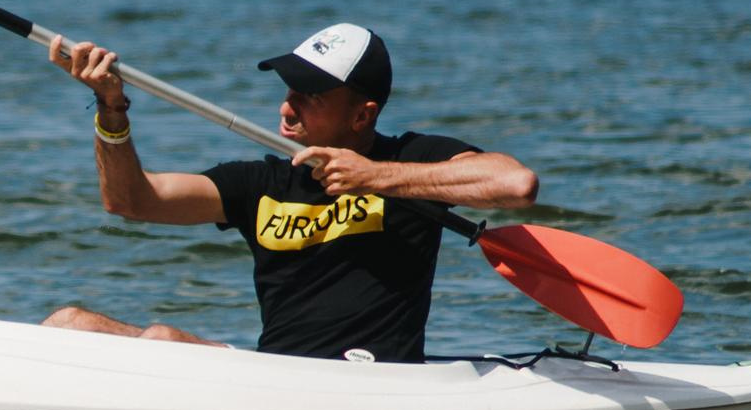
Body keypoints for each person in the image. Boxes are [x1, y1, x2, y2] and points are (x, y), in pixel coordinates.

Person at [44, 23, 538, 363]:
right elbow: (131, 200)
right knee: (72, 323)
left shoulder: (411, 159)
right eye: (288, 91)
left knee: (159, 338)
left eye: (309, 97)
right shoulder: (262, 183)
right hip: (279, 378)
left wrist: (375, 177)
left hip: (370, 383)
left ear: (362, 115)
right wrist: (111, 107)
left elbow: (515, 184)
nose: (286, 108)